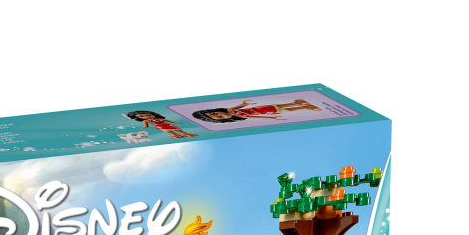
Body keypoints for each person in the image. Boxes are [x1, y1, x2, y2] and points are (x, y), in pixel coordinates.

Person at [192, 98, 321, 125]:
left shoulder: (231, 110)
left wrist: (244, 104)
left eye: (215, 113)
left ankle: (297, 103)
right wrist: (272, 118)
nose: (220, 114)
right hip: (264, 112)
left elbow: (239, 105)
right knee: (284, 110)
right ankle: (305, 107)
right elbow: (255, 118)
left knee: (279, 105)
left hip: (262, 108)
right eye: (219, 117)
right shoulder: (239, 115)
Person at [123, 111, 198, 139]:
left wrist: (179, 123)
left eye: (149, 115)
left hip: (167, 124)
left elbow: (168, 120)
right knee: (170, 131)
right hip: (160, 126)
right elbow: (145, 124)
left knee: (178, 129)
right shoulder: (146, 120)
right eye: (141, 116)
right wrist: (145, 127)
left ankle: (186, 134)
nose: (147, 117)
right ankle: (175, 135)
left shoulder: (159, 118)